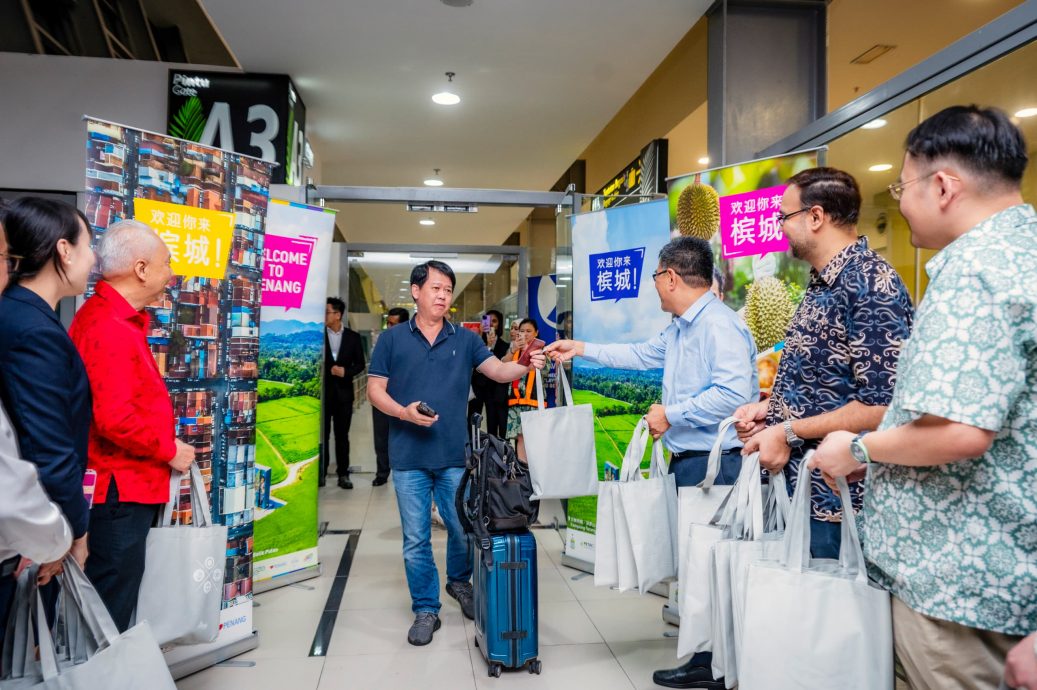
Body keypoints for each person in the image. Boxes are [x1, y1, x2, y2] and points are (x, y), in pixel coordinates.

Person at [813, 106, 1037, 690]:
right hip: (997, 575)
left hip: (957, 589)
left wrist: (858, 450)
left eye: (902, 187)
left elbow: (960, 431)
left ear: (943, 186)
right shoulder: (1021, 253)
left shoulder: (975, 274)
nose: (901, 202)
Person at [546, 236, 757, 690]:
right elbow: (642, 356)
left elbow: (735, 396)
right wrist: (579, 348)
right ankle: (707, 658)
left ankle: (721, 665)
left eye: (657, 276)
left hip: (715, 464)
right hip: (690, 462)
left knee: (715, 565)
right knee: (699, 565)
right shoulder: (683, 326)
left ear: (671, 277)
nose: (655, 286)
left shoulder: (718, 327)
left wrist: (671, 414)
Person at [733, 167, 914, 569]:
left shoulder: (869, 284)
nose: (781, 228)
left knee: (828, 623)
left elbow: (885, 405)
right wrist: (772, 411)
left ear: (815, 217)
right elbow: (825, 383)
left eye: (785, 217)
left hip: (838, 501)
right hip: (801, 495)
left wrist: (788, 430)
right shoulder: (821, 284)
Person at [366, 260, 545, 647]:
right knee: (415, 539)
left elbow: (496, 371)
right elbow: (375, 390)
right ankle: (426, 608)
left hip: (454, 457)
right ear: (416, 292)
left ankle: (459, 583)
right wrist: (403, 412)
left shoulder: (464, 340)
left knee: (463, 529)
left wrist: (524, 363)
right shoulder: (392, 339)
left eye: (448, 289)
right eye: (435, 288)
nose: (443, 295)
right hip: (408, 457)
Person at [70, 219, 196, 632]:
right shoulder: (107, 327)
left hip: (128, 486)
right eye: (166, 263)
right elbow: (114, 418)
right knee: (111, 605)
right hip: (119, 491)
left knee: (119, 595)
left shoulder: (118, 320)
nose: (171, 273)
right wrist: (168, 448)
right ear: (141, 269)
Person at [0, 197, 94, 644]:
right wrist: (71, 531)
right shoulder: (30, 328)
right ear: (64, 250)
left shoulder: (25, 315)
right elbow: (46, 445)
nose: (93, 259)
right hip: (31, 526)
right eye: (89, 245)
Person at [323, 297, 365, 490]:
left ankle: (343, 474)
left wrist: (345, 372)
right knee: (323, 435)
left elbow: (360, 365)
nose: (325, 316)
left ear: (337, 315)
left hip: (344, 395)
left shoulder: (353, 337)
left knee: (342, 436)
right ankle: (321, 474)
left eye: (327, 312)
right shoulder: (317, 335)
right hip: (323, 395)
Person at [372, 307, 409, 486]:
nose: (390, 327)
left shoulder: (413, 343)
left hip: (406, 399)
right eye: (388, 323)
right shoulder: (383, 341)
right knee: (381, 437)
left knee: (407, 437)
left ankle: (406, 470)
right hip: (382, 397)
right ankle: (382, 472)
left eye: (394, 324)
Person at [468, 309, 510, 439]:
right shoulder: (476, 343)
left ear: (500, 324)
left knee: (493, 422)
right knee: (473, 420)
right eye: (488, 321)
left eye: (495, 321)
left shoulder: (505, 346)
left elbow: (502, 366)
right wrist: (487, 346)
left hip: (494, 389)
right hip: (478, 387)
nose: (491, 324)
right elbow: (473, 365)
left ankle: (492, 450)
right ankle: (471, 446)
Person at [505, 318, 542, 461]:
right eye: (522, 331)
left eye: (528, 331)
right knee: (520, 437)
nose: (525, 334)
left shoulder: (541, 351)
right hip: (516, 402)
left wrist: (528, 349)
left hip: (533, 401)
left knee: (534, 438)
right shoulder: (514, 350)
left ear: (536, 333)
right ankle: (522, 471)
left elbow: (544, 370)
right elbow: (502, 363)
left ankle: (535, 472)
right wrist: (514, 349)